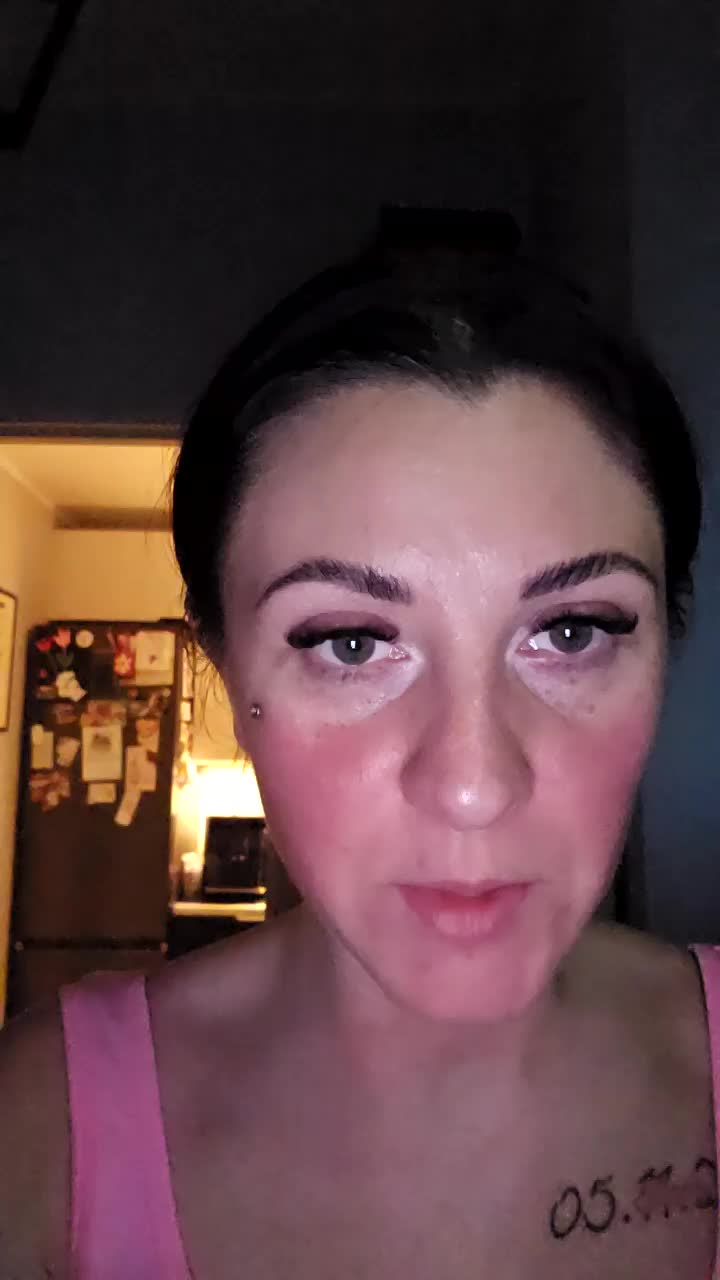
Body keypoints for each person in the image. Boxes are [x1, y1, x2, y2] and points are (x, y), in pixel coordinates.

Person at [1, 227, 717, 1280]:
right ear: (222, 672)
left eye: (572, 631)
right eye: (350, 643)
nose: (472, 784)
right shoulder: (33, 1141)